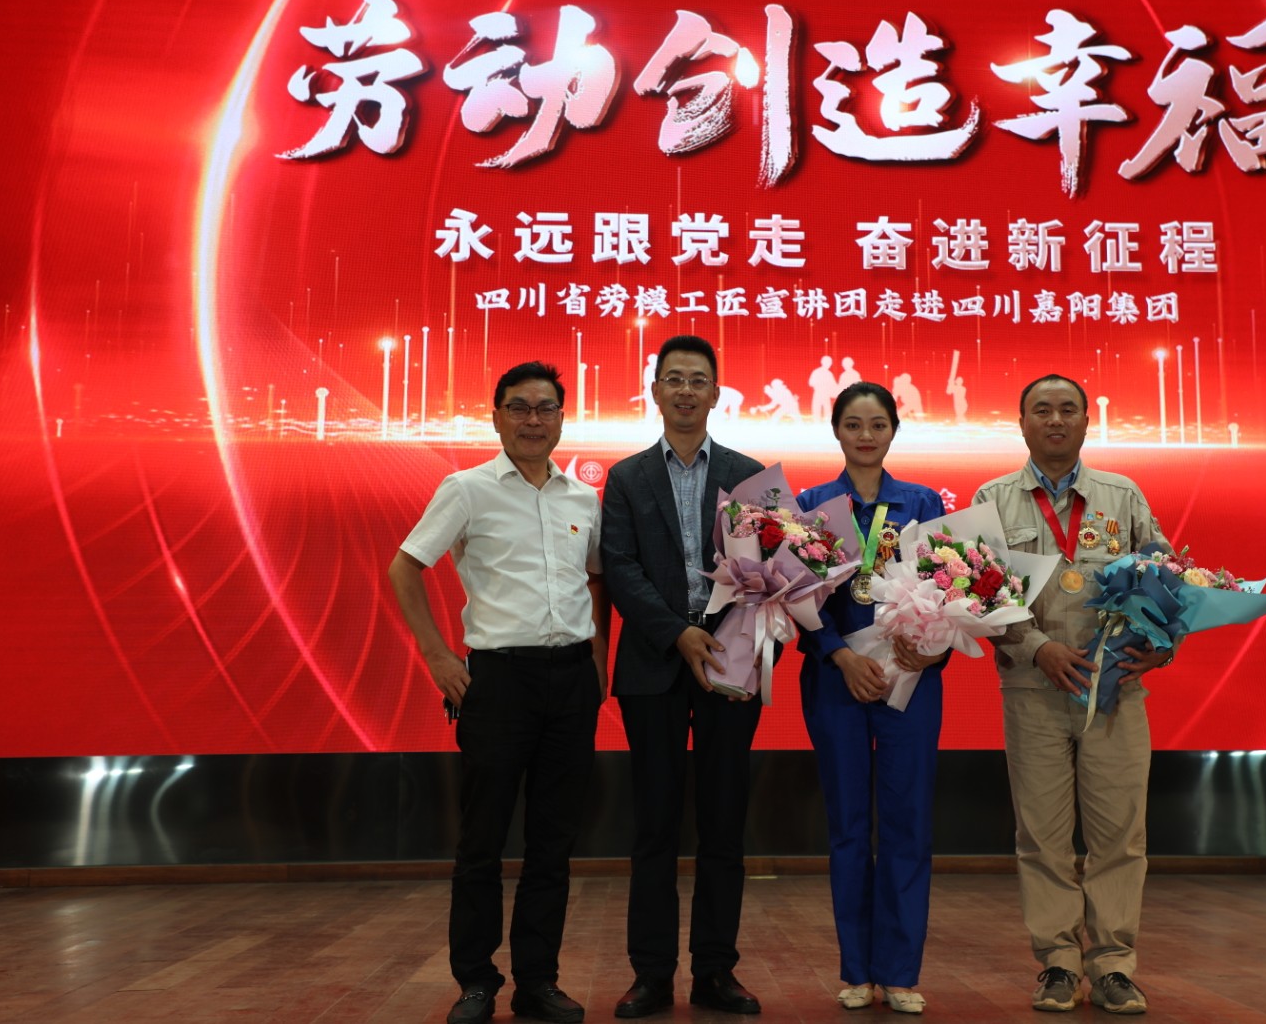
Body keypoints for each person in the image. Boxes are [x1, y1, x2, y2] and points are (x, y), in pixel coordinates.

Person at [388, 361, 609, 1024]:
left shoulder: (582, 498)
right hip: (500, 681)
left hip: (571, 682)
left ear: (561, 418)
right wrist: (437, 654)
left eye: (545, 408)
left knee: (553, 842)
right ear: (496, 417)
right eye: (519, 407)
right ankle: (476, 981)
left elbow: (596, 578)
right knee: (482, 839)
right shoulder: (466, 489)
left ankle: (538, 981)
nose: (532, 420)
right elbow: (404, 567)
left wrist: (598, 657)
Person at [972, 374, 1172, 1016]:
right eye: (1042, 410)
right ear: (1022, 423)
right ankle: (1058, 963)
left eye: (1067, 409)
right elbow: (978, 595)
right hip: (1032, 689)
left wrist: (1162, 644)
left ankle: (1113, 966)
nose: (1055, 420)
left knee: (1120, 836)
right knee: (1042, 837)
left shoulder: (1122, 495)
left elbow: (1169, 583)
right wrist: (1037, 647)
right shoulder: (992, 500)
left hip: (1113, 693)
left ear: (1086, 421)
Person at [600, 335, 767, 1018]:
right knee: (655, 826)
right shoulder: (627, 477)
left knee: (724, 824)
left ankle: (716, 971)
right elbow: (620, 568)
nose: (686, 390)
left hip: (731, 660)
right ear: (655, 392)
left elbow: (773, 568)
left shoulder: (749, 476)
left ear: (717, 393)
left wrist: (723, 629)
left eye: (699, 379)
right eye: (674, 378)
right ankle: (651, 974)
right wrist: (677, 631)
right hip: (654, 664)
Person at [796, 383, 947, 1015]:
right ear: (836, 430)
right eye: (853, 424)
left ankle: (901, 972)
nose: (865, 435)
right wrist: (839, 653)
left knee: (908, 823)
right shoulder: (811, 504)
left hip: (910, 677)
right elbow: (792, 596)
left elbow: (951, 585)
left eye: (877, 424)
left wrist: (933, 648)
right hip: (837, 678)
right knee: (849, 827)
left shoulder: (922, 502)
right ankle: (857, 970)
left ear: (893, 432)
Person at [808, 355, 840, 422]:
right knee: (817, 411)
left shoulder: (829, 374)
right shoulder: (817, 372)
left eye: (830, 363)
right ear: (822, 362)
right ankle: (817, 424)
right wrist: (819, 386)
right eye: (827, 362)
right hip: (818, 394)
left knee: (827, 411)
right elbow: (811, 382)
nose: (829, 364)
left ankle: (827, 425)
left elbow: (834, 385)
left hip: (826, 394)